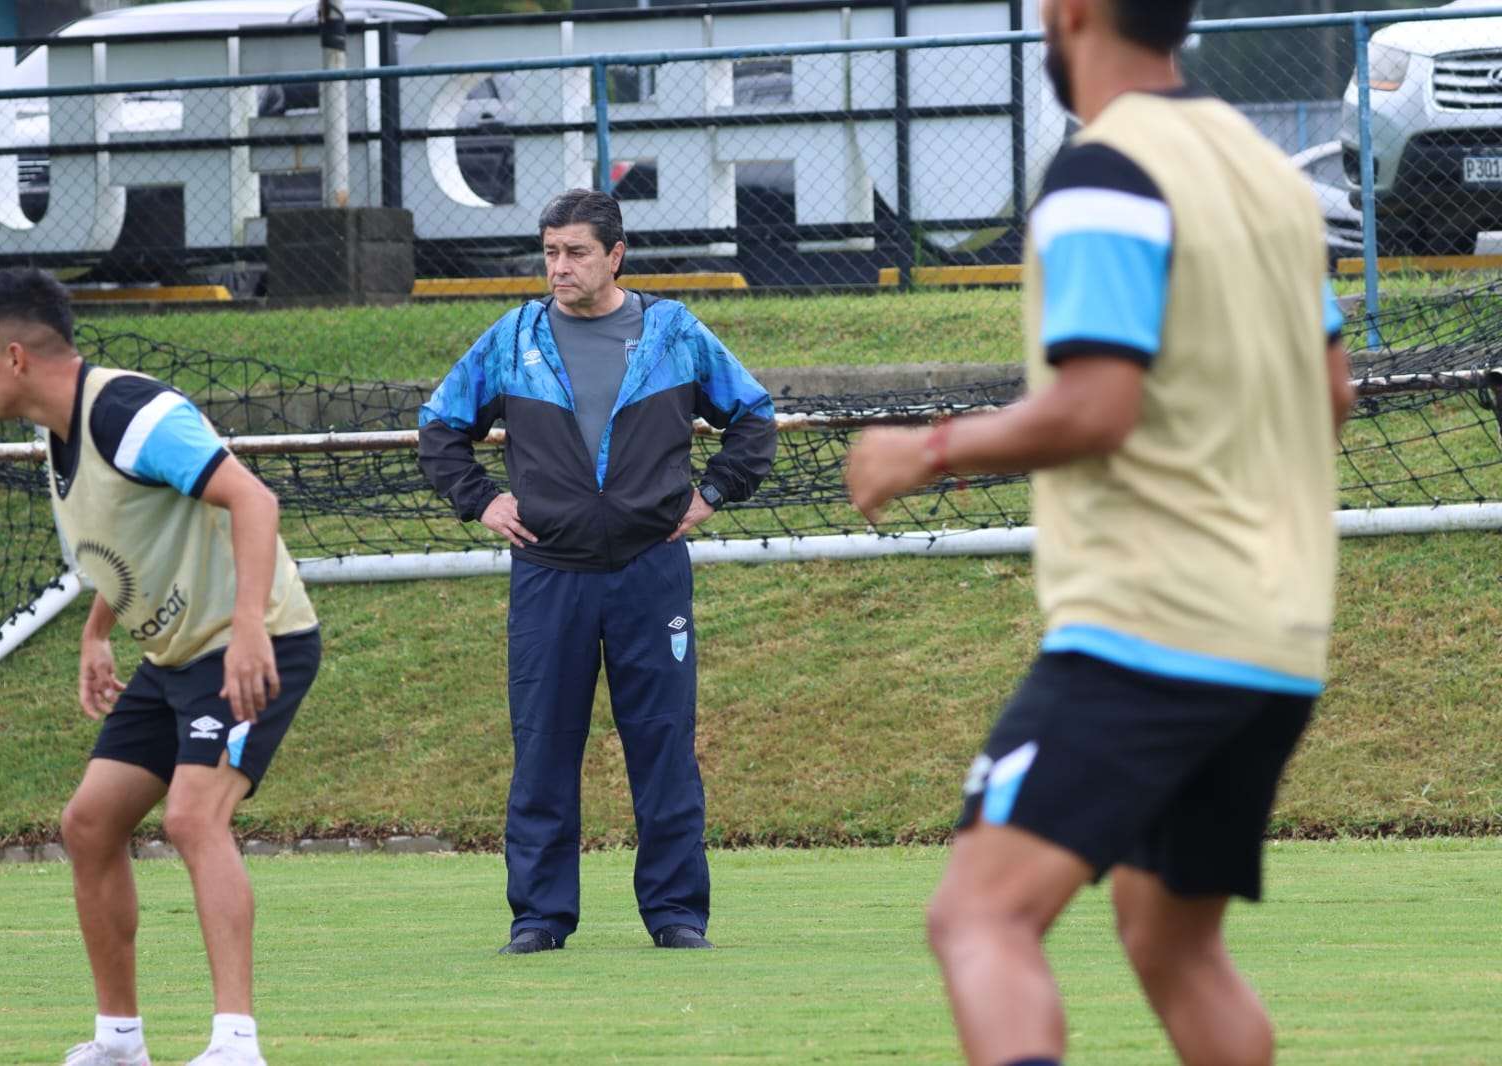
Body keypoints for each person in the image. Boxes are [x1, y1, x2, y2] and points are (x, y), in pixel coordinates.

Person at [845, 1, 1356, 1063]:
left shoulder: (1104, 171)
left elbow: (1093, 408)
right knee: (1171, 946)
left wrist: (922, 449)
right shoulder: (1270, 176)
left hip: (1152, 621)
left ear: (1068, 12)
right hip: (1278, 633)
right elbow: (1332, 393)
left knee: (978, 914)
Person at [0, 268, 322, 1066]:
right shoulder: (58, 435)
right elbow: (135, 542)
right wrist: (99, 631)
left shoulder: (129, 412)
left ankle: (237, 1044)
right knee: (88, 824)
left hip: (253, 644)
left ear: (15, 356)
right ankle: (120, 1042)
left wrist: (250, 632)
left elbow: (252, 501)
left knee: (195, 818)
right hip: (174, 658)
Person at [420, 189, 775, 955]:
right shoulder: (513, 338)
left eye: (575, 252)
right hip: (549, 576)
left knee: (663, 742)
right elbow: (440, 426)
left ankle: (677, 914)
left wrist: (711, 494)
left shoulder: (675, 333)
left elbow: (753, 415)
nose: (559, 267)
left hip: (651, 572)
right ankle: (540, 918)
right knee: (543, 745)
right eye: (549, 252)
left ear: (616, 255)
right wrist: (479, 500)